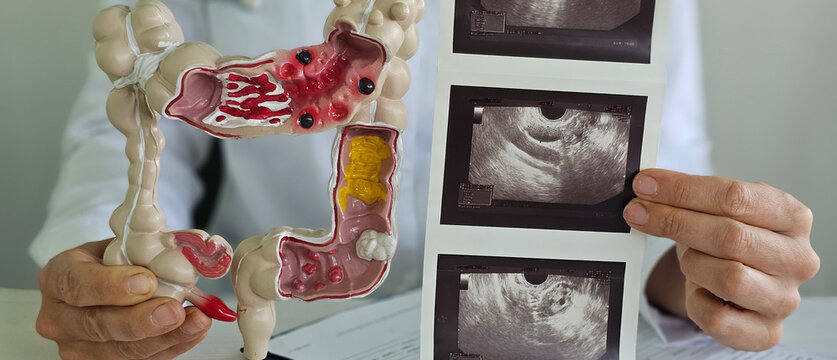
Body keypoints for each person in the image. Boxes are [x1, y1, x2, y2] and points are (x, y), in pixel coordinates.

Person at [31, 0, 819, 359]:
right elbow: (125, 129)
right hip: (261, 320)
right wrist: (103, 263)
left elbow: (660, 166)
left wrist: (697, 272)